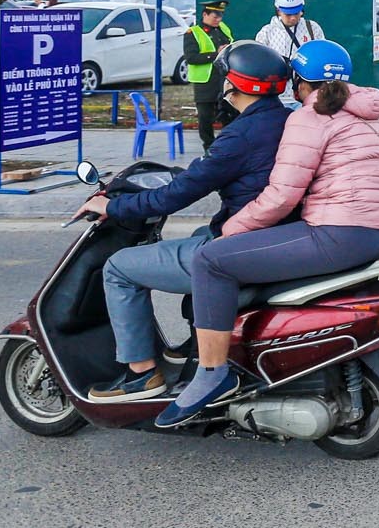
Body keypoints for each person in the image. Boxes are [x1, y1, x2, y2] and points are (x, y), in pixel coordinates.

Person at [156, 39, 379, 427]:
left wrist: (230, 231)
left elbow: (279, 197)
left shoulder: (308, 118)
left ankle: (211, 374)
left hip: (339, 233)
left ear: (298, 83)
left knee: (210, 261)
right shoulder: (366, 113)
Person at [79, 41, 294, 401]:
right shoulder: (286, 120)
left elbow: (174, 196)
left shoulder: (239, 136)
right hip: (273, 235)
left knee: (118, 268)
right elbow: (209, 172)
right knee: (198, 232)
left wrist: (112, 207)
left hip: (242, 244)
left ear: (233, 84)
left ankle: (141, 374)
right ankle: (198, 339)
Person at [254, 0, 325, 106]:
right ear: (278, 11)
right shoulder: (267, 32)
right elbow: (259, 63)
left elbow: (323, 56)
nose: (293, 18)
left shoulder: (312, 28)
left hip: (308, 96)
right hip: (276, 97)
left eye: (296, 13)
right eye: (288, 14)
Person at [183, 0, 233, 150]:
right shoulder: (193, 33)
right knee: (205, 118)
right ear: (205, 14)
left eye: (220, 16)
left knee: (229, 114)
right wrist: (215, 54)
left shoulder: (223, 28)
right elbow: (191, 58)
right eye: (215, 16)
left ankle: (228, 145)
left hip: (223, 79)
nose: (218, 19)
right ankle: (209, 148)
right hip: (205, 82)